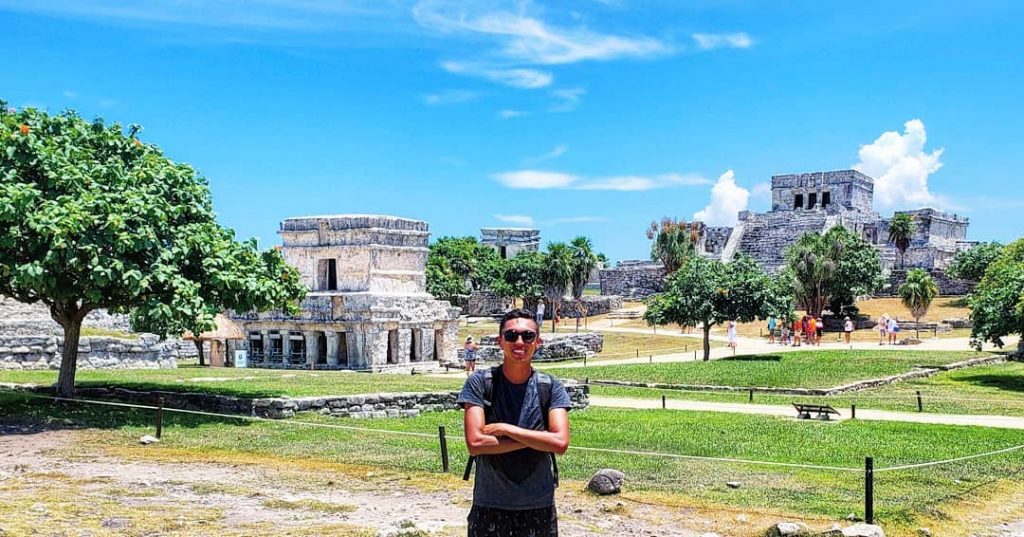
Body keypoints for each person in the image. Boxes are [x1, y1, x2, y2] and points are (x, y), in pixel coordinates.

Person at [458, 308, 571, 537]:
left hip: (538, 506)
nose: (519, 342)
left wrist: (506, 429)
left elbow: (560, 443)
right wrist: (539, 437)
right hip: (489, 505)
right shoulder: (480, 383)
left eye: (527, 336)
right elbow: (476, 443)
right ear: (500, 341)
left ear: (538, 341)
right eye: (511, 336)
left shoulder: (550, 387)